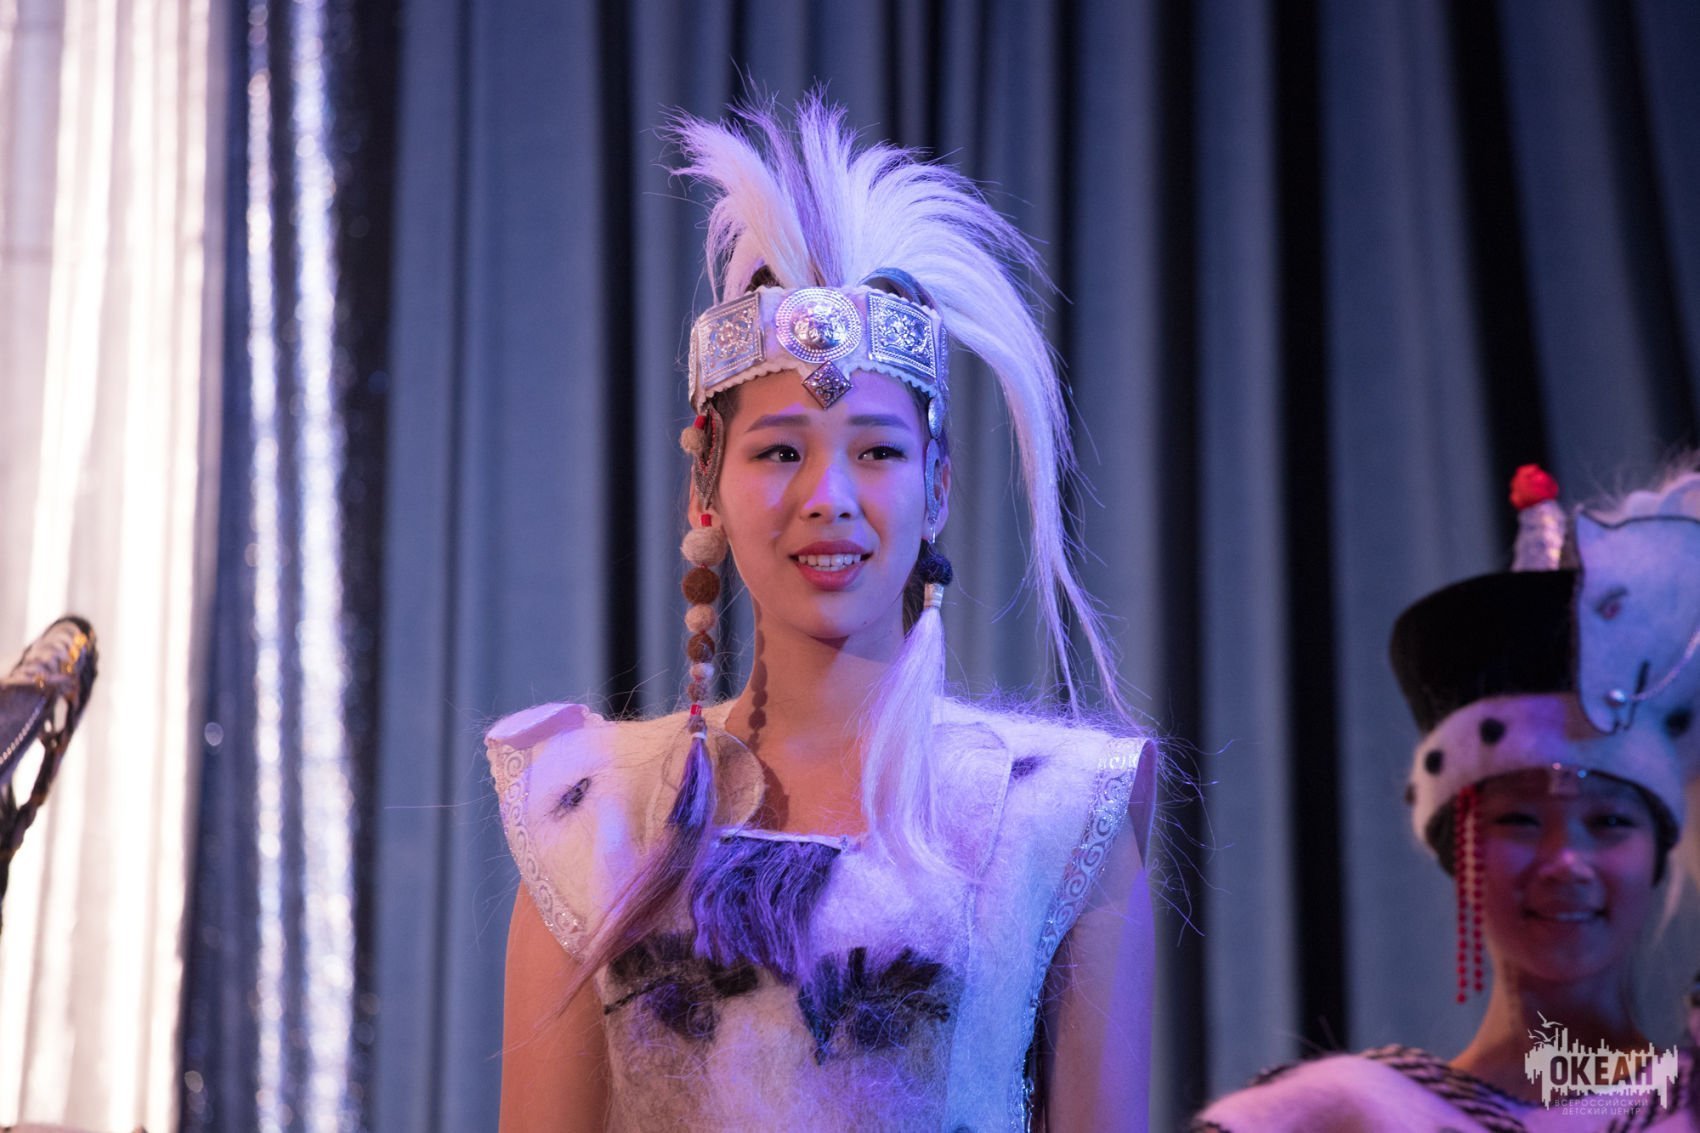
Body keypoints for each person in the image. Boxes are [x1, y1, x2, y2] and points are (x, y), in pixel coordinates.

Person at [488, 98, 1156, 1132]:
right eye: (779, 450)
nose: (829, 496)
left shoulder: (1048, 818)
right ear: (706, 488)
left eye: (877, 451)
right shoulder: (593, 816)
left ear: (937, 486)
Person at [1194, 462, 1700, 1132]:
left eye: (1608, 820)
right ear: (1457, 844)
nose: (1565, 861)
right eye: (1519, 819)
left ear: (1659, 851)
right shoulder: (1344, 1115)